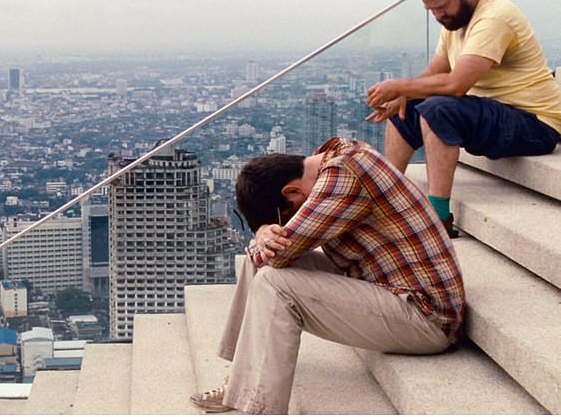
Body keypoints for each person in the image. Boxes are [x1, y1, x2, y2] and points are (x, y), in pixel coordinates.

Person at [189, 137, 464, 414]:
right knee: (257, 263)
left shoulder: (344, 176)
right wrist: (263, 232)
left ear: (291, 192)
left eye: (287, 216)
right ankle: (240, 377)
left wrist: (264, 234)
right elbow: (267, 254)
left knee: (274, 280)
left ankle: (260, 408)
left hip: (425, 317)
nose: (291, 221)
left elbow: (281, 253)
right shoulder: (331, 156)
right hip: (382, 285)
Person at [366, 0, 561, 231]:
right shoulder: (455, 23)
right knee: (405, 107)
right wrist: (403, 95)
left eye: (442, 6)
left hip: (535, 124)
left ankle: (438, 218)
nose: (437, 16)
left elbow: (456, 85)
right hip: (493, 113)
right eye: (430, 10)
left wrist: (400, 86)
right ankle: (383, 200)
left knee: (438, 109)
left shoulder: (495, 16)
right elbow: (435, 73)